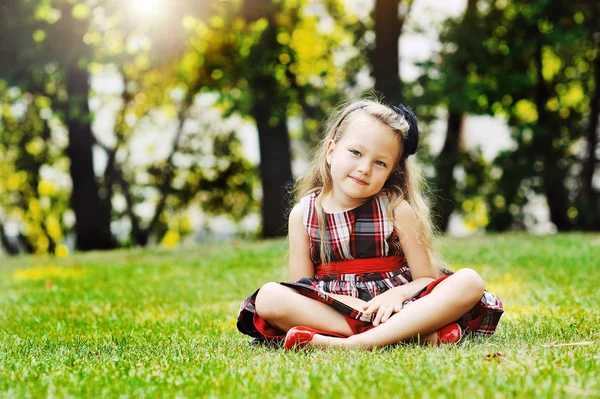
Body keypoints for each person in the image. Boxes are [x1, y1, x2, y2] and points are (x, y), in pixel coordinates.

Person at [237, 99, 504, 350]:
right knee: (269, 297)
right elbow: (301, 288)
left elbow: (426, 278)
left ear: (391, 173)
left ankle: (351, 344)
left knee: (469, 281)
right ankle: (412, 335)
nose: (364, 168)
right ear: (331, 152)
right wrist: (347, 302)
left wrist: (396, 296)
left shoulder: (396, 208)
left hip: (401, 306)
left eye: (379, 162)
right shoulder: (303, 214)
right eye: (355, 152)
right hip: (337, 308)